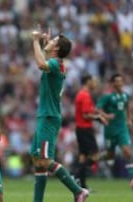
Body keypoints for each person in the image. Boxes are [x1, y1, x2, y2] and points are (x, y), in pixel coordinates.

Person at [30, 29, 89, 202]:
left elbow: (41, 64)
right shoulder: (56, 63)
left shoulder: (56, 64)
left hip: (49, 117)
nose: (50, 40)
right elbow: (44, 59)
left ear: (56, 49)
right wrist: (46, 45)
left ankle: (78, 191)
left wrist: (35, 41)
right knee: (38, 161)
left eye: (53, 40)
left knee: (46, 160)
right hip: (45, 115)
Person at [97, 73, 133, 190]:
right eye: (117, 81)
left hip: (122, 129)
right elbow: (98, 109)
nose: (120, 83)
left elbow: (127, 108)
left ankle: (132, 180)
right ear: (113, 84)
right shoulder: (107, 97)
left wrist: (129, 120)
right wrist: (105, 115)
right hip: (110, 130)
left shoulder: (126, 96)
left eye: (121, 81)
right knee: (109, 155)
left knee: (127, 152)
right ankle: (96, 159)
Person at [74, 74, 108, 190]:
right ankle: (76, 176)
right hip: (85, 129)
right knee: (95, 156)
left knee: (83, 157)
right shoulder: (84, 95)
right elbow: (85, 115)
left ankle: (82, 186)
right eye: (93, 81)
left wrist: (100, 114)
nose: (95, 83)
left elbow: (90, 111)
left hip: (80, 129)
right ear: (88, 82)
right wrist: (98, 118)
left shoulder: (83, 94)